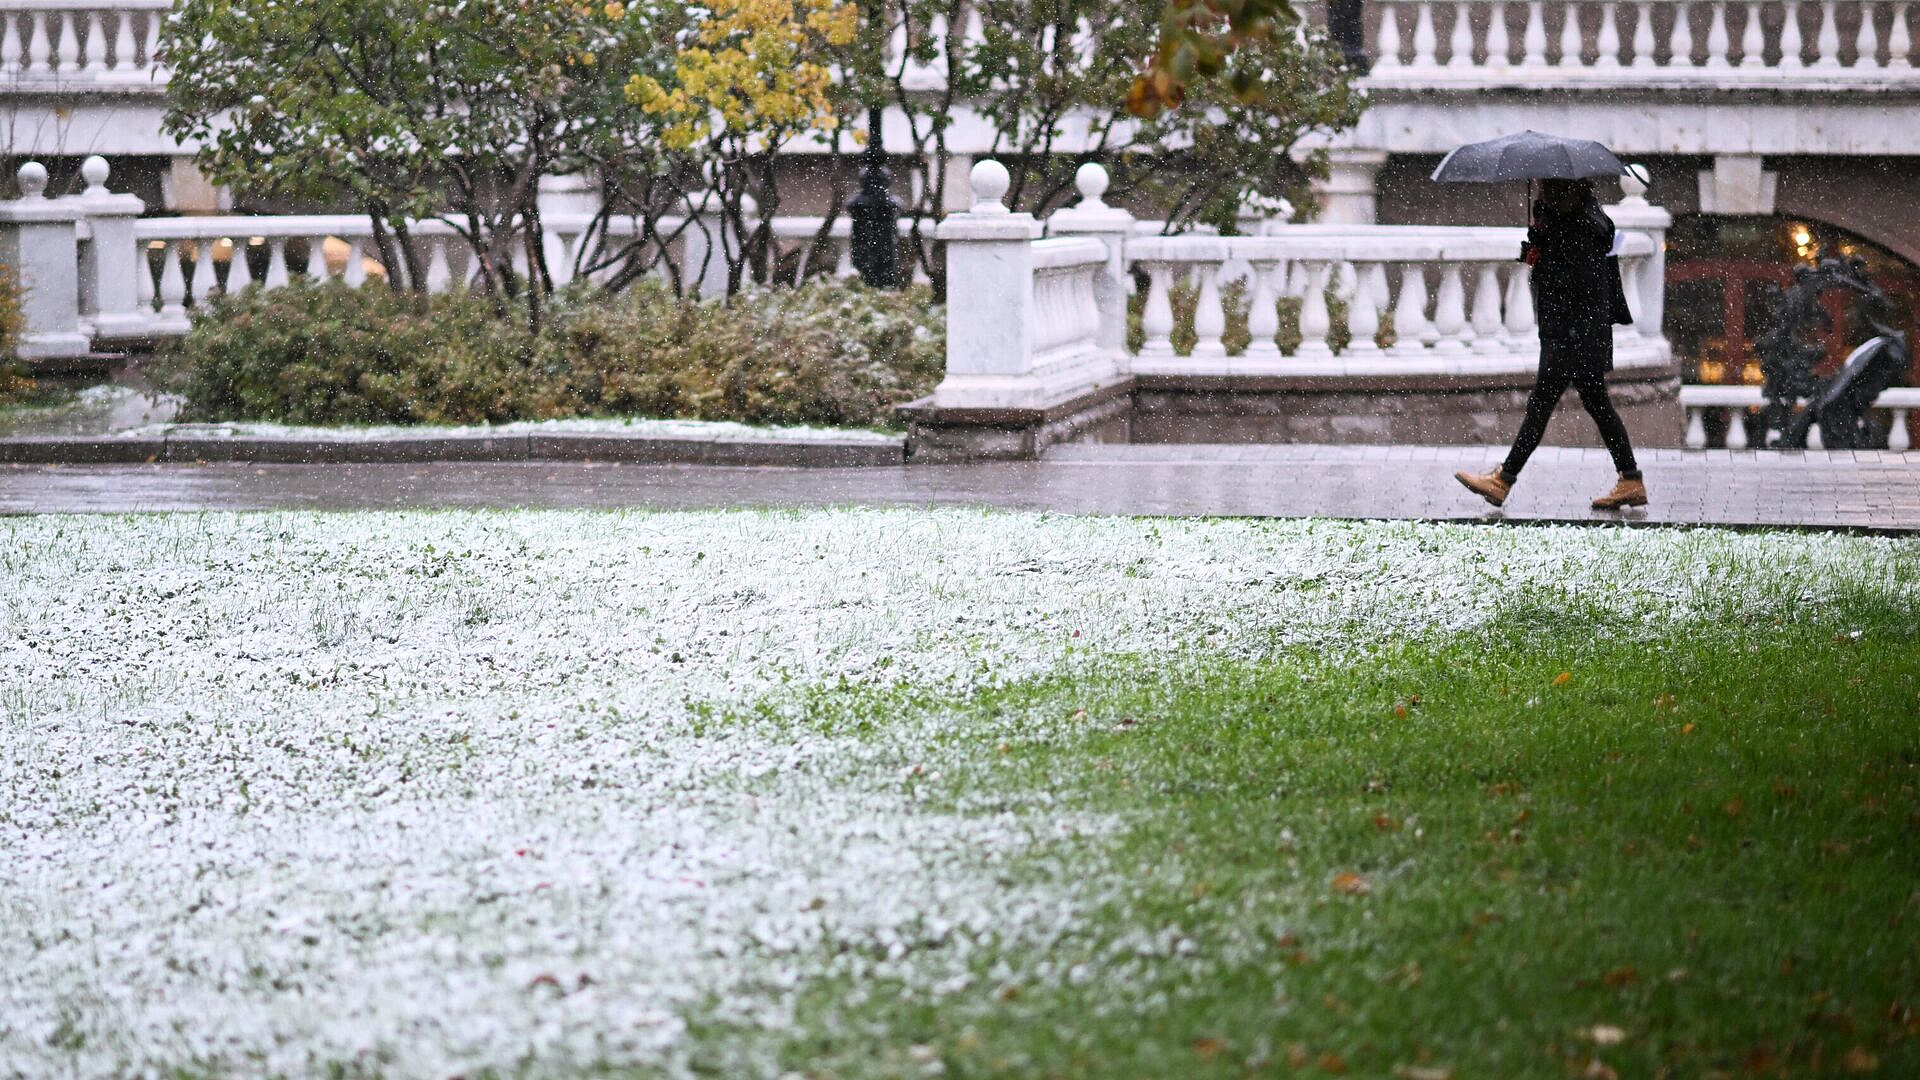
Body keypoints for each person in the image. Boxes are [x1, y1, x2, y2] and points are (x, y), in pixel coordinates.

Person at [1455, 178, 1647, 510]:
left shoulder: (1581, 226)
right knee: (1597, 405)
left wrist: (1544, 253)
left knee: (1542, 405)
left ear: (1562, 188)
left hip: (1572, 334)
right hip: (1579, 333)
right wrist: (1537, 245)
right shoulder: (1582, 219)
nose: (1541, 188)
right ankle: (1630, 479)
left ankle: (1503, 480)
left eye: (1547, 185)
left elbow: (1575, 282)